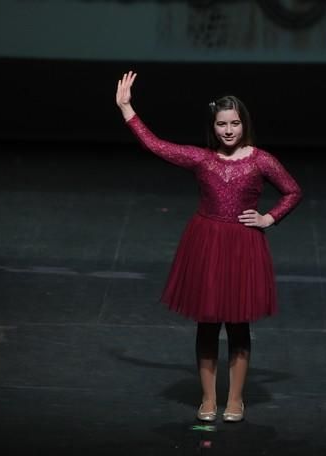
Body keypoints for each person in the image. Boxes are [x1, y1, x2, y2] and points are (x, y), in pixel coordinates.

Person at [115, 71, 302, 422]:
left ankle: (235, 399)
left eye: (234, 123)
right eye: (221, 124)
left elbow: (293, 190)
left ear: (244, 123)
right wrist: (127, 109)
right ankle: (207, 399)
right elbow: (156, 145)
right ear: (213, 126)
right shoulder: (202, 159)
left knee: (237, 324)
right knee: (207, 323)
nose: (228, 130)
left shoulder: (261, 160)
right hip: (208, 243)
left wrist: (269, 218)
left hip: (243, 245)